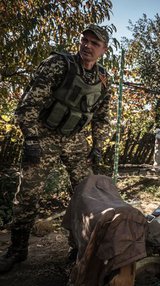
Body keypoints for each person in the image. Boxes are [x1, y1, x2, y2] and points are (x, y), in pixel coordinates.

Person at [0, 25, 112, 273]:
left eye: (95, 43)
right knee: (28, 195)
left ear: (104, 50)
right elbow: (27, 105)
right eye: (85, 40)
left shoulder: (103, 79)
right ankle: (17, 251)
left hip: (74, 139)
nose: (87, 46)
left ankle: (79, 247)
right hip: (44, 135)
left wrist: (98, 147)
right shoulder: (58, 64)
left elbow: (102, 117)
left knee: (86, 195)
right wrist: (31, 138)